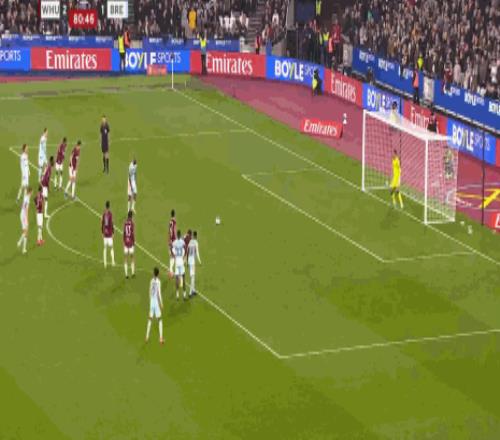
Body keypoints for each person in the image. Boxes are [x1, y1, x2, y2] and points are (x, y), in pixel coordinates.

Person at [145, 267, 164, 344]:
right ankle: (161, 338)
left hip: (151, 302)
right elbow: (159, 293)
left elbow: (149, 291)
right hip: (156, 302)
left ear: (153, 273)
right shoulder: (158, 282)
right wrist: (161, 303)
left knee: (150, 319)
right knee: (160, 319)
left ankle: (147, 337)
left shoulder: (151, 281)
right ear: (158, 274)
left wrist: (150, 300)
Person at [17, 186, 32, 254]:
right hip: (24, 216)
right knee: (26, 231)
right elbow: (26, 209)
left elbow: (23, 206)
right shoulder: (27, 199)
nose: (32, 193)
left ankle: (21, 244)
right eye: (31, 192)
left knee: (25, 231)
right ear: (30, 192)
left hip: (21, 214)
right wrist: (27, 218)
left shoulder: (26, 196)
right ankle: (22, 246)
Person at [172, 229, 186, 300]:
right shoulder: (182, 242)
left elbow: (172, 249)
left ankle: (177, 295)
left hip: (177, 261)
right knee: (183, 277)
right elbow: (184, 249)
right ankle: (184, 295)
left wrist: (174, 256)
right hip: (181, 260)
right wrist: (184, 257)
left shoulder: (174, 242)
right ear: (180, 235)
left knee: (177, 278)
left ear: (177, 235)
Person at [187, 231, 201, 297]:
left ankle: (193, 290)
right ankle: (190, 293)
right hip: (192, 261)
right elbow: (197, 253)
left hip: (190, 260)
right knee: (192, 277)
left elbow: (187, 251)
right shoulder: (196, 243)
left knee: (193, 276)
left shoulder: (190, 242)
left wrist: (187, 261)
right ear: (196, 236)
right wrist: (200, 261)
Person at [102, 200, 115, 268]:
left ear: (105, 206)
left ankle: (105, 263)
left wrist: (102, 232)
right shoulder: (110, 214)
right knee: (111, 247)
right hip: (109, 234)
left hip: (105, 233)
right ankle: (112, 262)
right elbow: (112, 224)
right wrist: (113, 232)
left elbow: (102, 223)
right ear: (109, 206)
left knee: (105, 248)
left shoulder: (104, 214)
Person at [123, 210, 135, 278]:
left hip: (126, 242)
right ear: (131, 216)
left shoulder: (125, 223)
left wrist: (124, 241)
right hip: (130, 242)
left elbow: (124, 233)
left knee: (125, 258)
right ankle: (132, 273)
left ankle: (126, 274)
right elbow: (132, 233)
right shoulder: (132, 223)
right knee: (132, 257)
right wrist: (134, 241)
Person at [168, 209, 177, 275]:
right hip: (174, 240)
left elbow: (170, 231)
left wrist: (170, 239)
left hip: (171, 239)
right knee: (174, 255)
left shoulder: (170, 222)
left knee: (172, 255)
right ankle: (172, 271)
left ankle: (171, 271)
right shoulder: (174, 221)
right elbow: (174, 231)